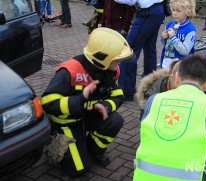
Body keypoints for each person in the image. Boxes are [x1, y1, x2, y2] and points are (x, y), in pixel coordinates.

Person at [41, 28, 135, 176]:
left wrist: (106, 106)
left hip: (88, 114)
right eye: (116, 59)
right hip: (67, 121)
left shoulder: (109, 70)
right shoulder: (70, 71)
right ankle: (55, 138)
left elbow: (118, 94)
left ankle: (94, 152)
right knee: (77, 170)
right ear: (103, 57)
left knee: (114, 120)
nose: (118, 64)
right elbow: (47, 102)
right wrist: (80, 99)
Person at [114, 0, 165, 101]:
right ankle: (149, 88)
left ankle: (126, 91)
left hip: (148, 12)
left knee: (129, 50)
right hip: (156, 10)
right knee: (150, 50)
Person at [159, 0, 196, 68]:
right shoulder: (169, 24)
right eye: (173, 10)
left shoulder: (190, 29)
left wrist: (173, 37)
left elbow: (185, 51)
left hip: (181, 67)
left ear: (187, 11)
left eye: (178, 11)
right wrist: (163, 38)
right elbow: (165, 44)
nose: (174, 13)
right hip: (166, 64)